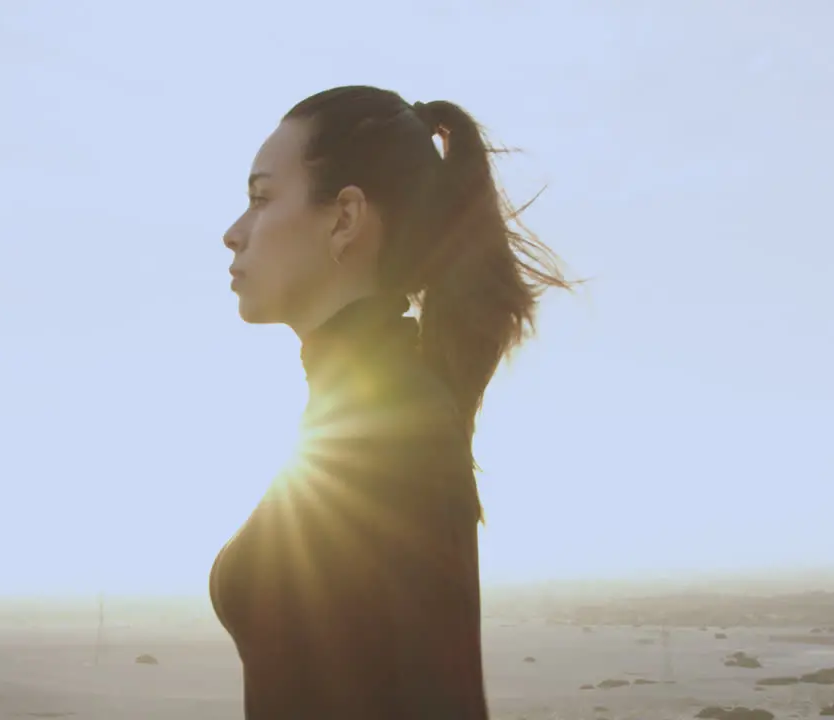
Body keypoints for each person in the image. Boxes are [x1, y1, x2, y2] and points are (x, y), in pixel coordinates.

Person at [209, 85, 573, 719]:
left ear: (345, 218)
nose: (233, 234)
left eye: (261, 199)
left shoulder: (392, 427)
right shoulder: (365, 412)